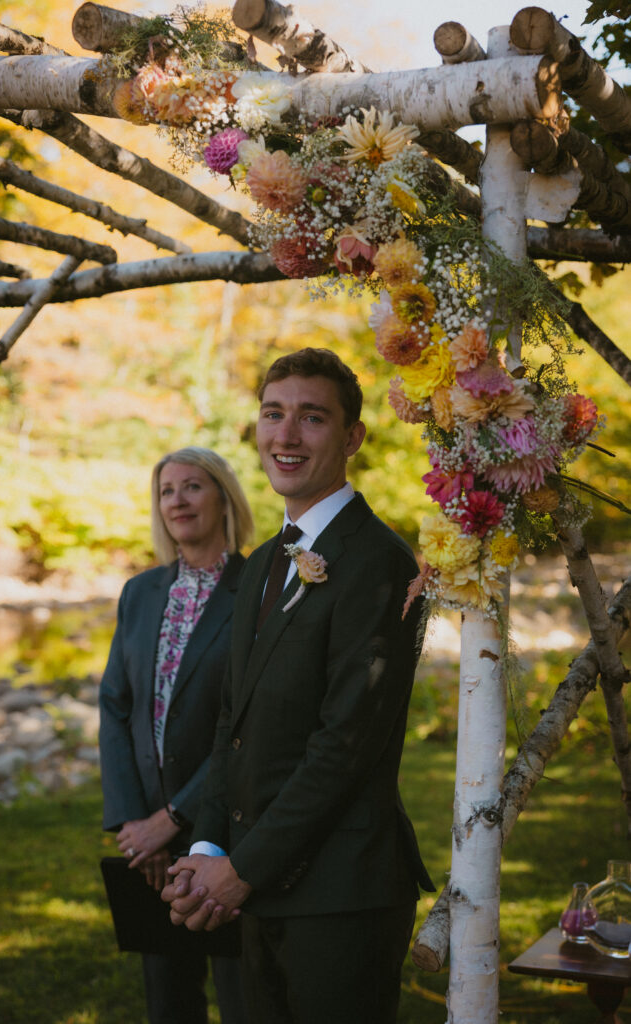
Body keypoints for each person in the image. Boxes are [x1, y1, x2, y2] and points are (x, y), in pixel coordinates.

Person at [162, 350, 434, 1024]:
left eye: (311, 418)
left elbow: (345, 744)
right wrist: (206, 849)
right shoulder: (259, 565)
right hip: (260, 884)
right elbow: (235, 722)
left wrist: (241, 868)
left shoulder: (378, 561)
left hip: (341, 892)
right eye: (272, 414)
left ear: (352, 438)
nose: (285, 436)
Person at [99, 446, 253, 1024]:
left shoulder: (257, 588)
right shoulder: (140, 592)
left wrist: (176, 818)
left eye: (192, 486)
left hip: (230, 831)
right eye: (167, 490)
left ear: (223, 498)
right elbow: (114, 705)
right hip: (150, 851)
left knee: (244, 1000)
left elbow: (250, 726)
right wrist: (137, 826)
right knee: (168, 1003)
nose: (178, 500)